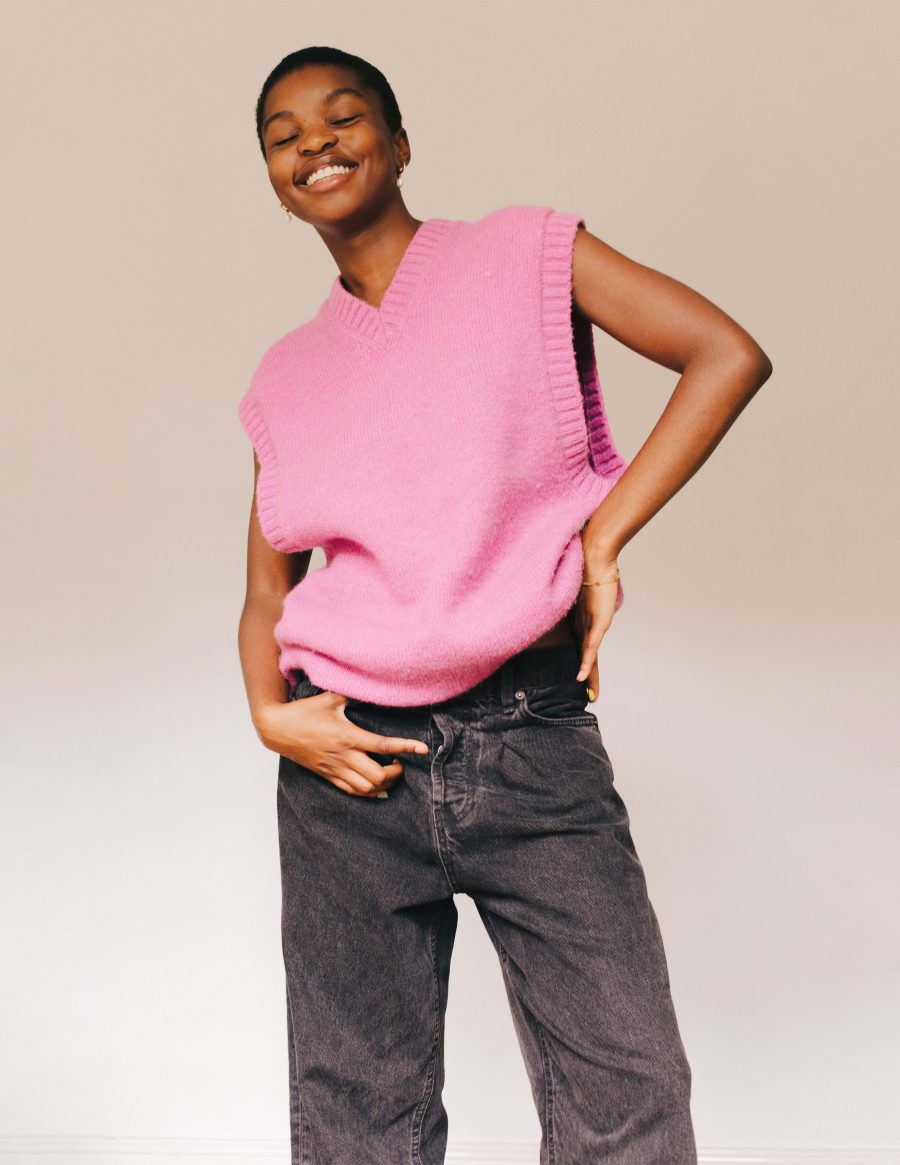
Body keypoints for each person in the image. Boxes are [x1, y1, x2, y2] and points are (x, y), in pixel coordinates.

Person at [237, 44, 772, 1165]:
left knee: (628, 1093)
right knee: (355, 1117)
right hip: (348, 772)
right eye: (285, 137)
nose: (315, 143)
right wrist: (270, 716)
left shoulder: (524, 252)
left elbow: (724, 353)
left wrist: (603, 536)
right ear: (277, 183)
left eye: (342, 117)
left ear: (399, 142)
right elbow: (264, 595)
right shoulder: (285, 375)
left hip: (530, 736)